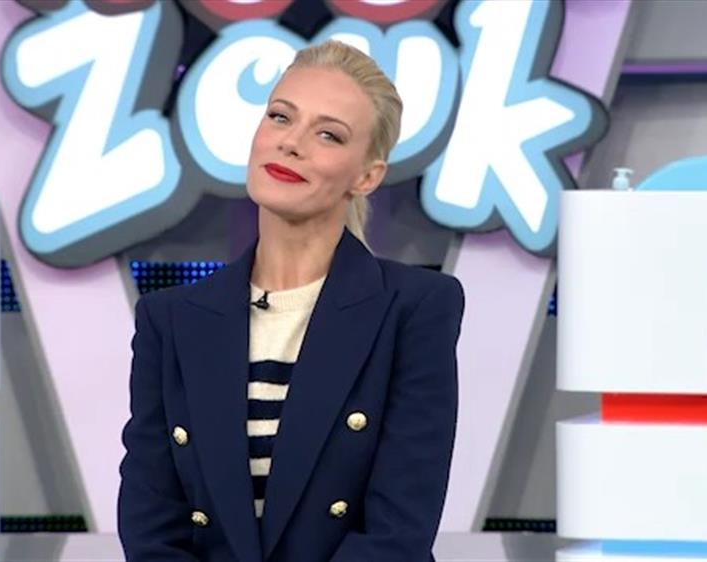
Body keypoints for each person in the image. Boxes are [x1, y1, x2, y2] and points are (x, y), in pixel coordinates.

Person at [117, 39, 465, 562]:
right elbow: (152, 528)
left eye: (328, 134)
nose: (291, 143)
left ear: (367, 176)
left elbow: (397, 532)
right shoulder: (169, 320)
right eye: (280, 117)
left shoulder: (416, 309)